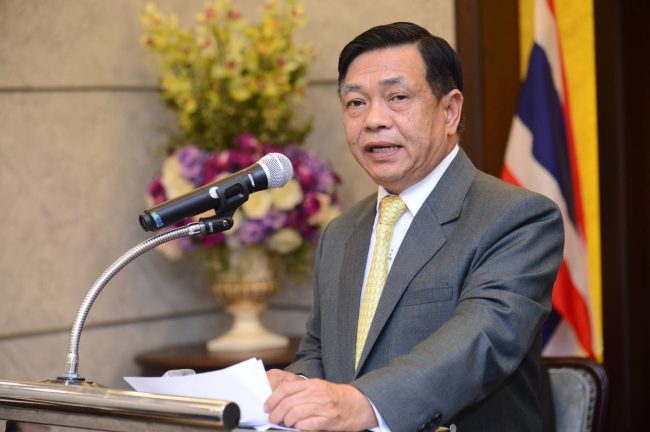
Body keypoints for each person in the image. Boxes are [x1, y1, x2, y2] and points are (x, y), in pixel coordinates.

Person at [264, 22, 564, 431]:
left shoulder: (516, 218)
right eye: (356, 103)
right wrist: (295, 386)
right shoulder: (340, 233)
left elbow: (481, 340)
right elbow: (320, 350)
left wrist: (366, 403)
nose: (373, 120)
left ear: (450, 111)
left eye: (398, 98)